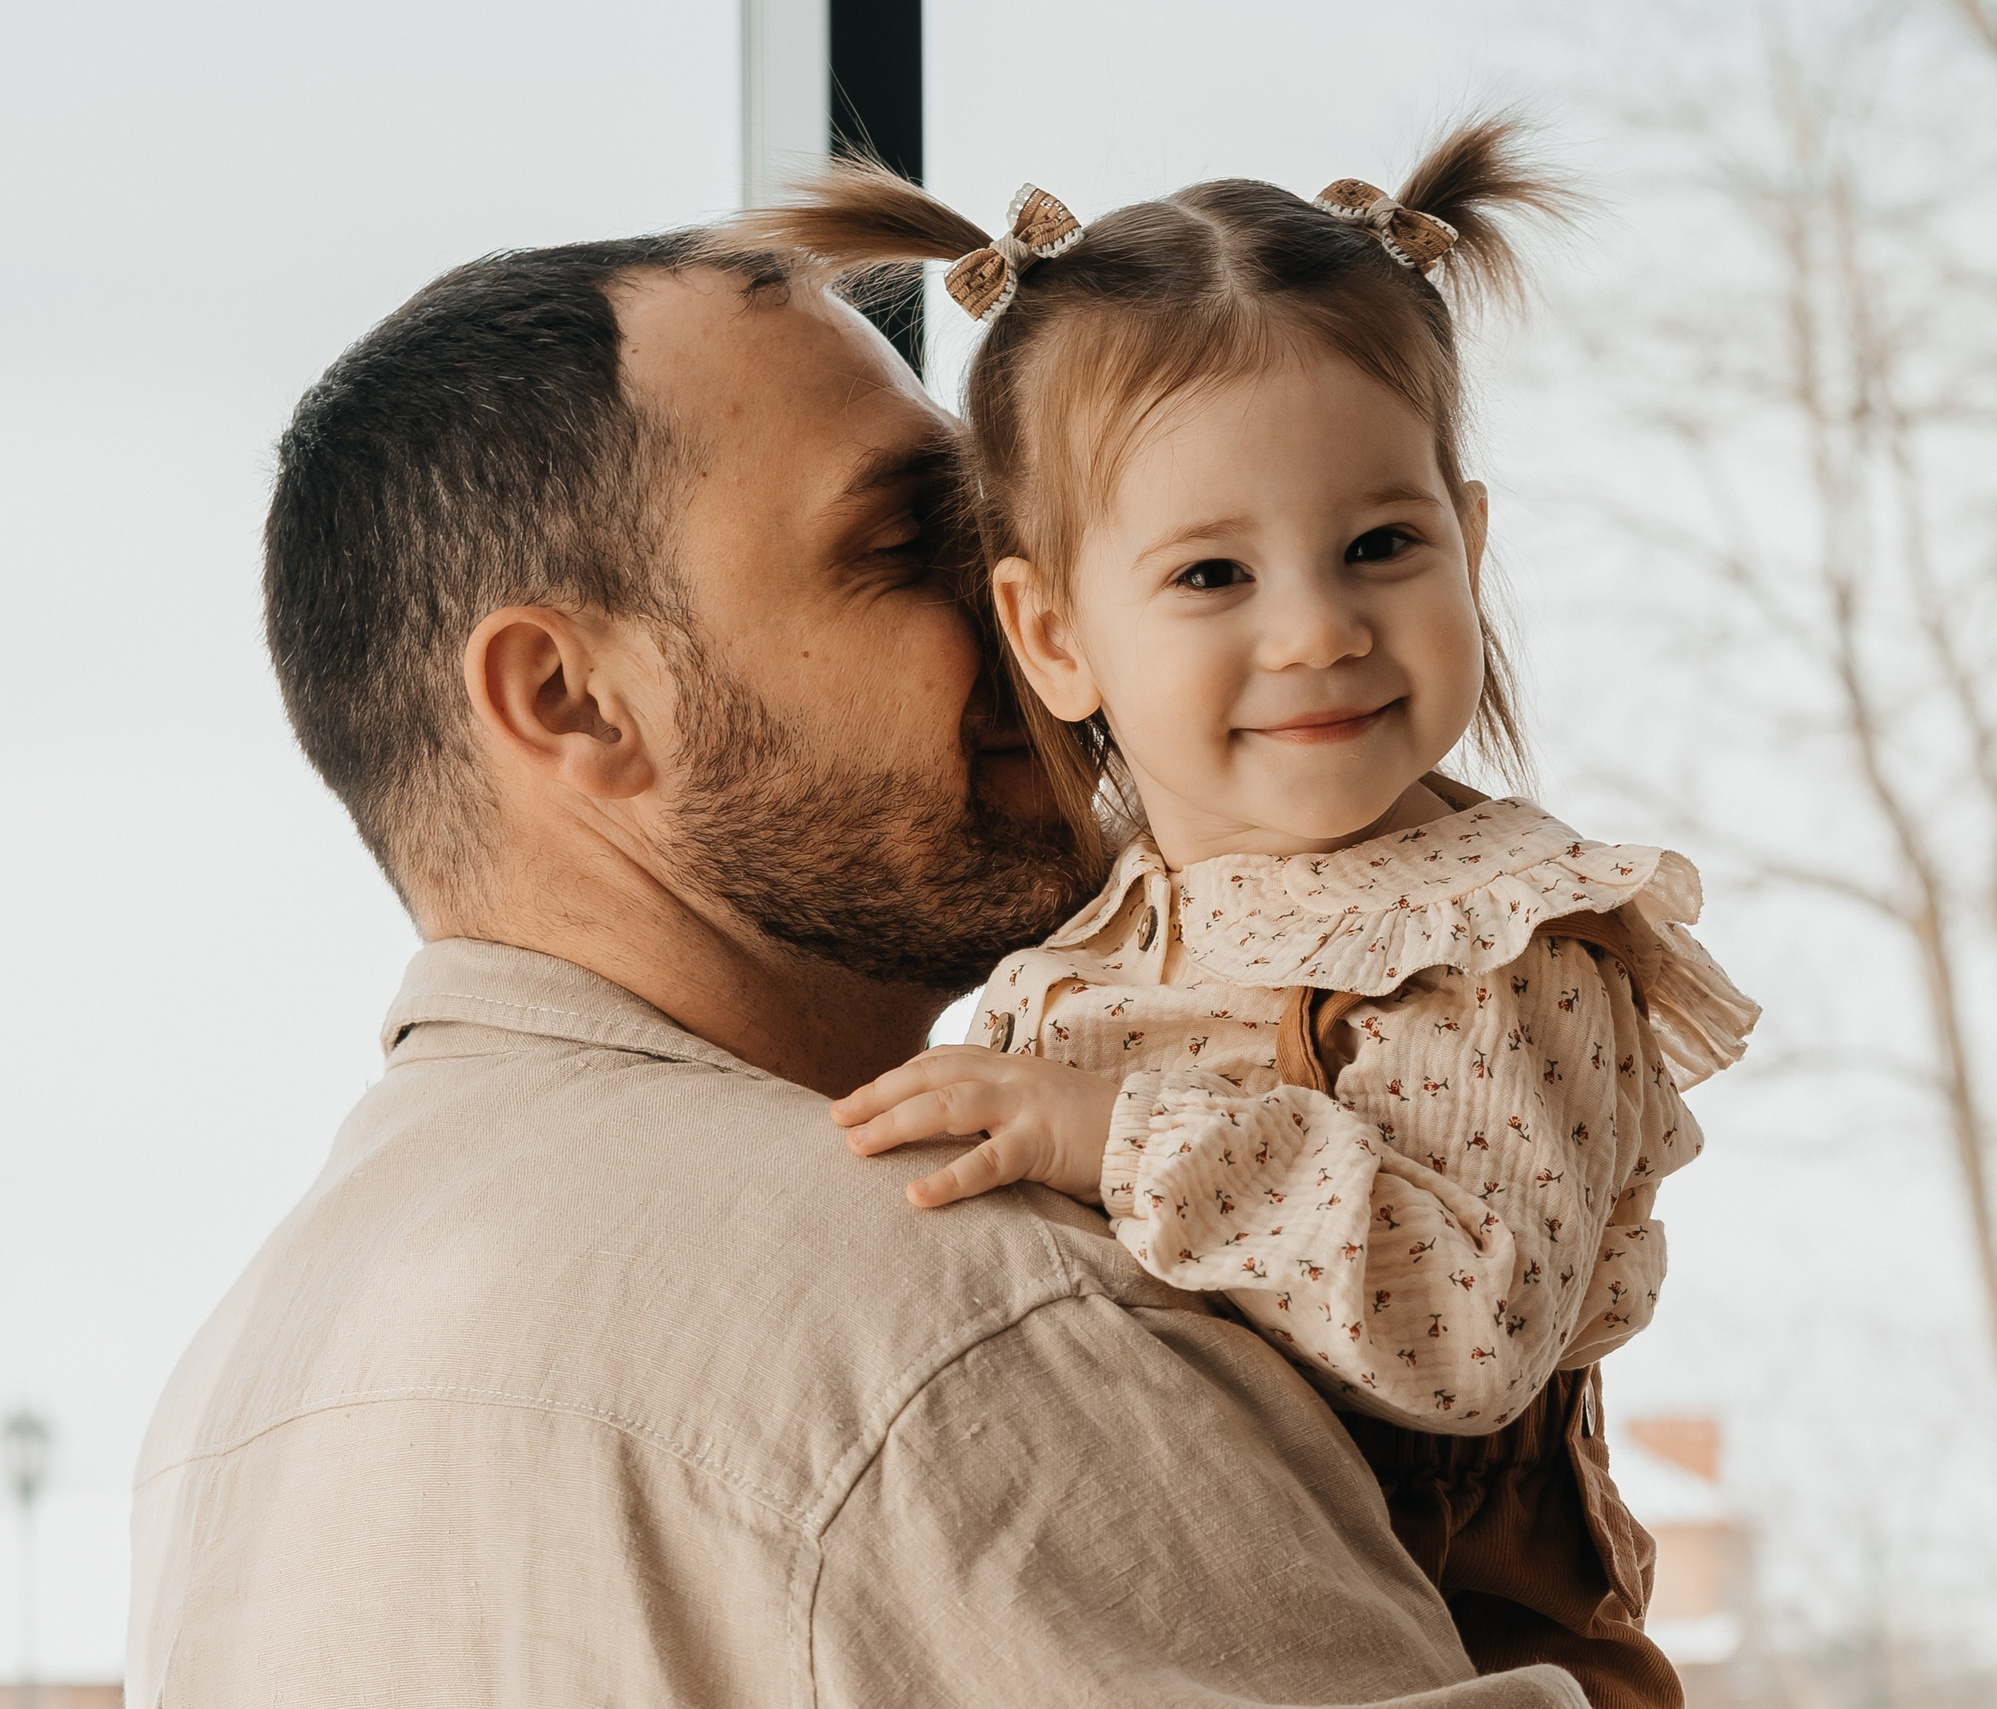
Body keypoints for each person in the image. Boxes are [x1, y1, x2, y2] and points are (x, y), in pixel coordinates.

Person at [128, 232, 1588, 1706]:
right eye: (907, 546)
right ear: (572, 698)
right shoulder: (969, 1313)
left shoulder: (224, 1401)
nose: (1045, 629)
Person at [730, 121, 1759, 1709]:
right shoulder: (1066, 970)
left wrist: (1113, 1135)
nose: (1317, 630)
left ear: (1468, 551)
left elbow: (1472, 1333)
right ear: (1054, 633)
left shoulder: (1499, 940)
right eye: (1214, 575)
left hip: (1457, 1645)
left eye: (1381, 547)